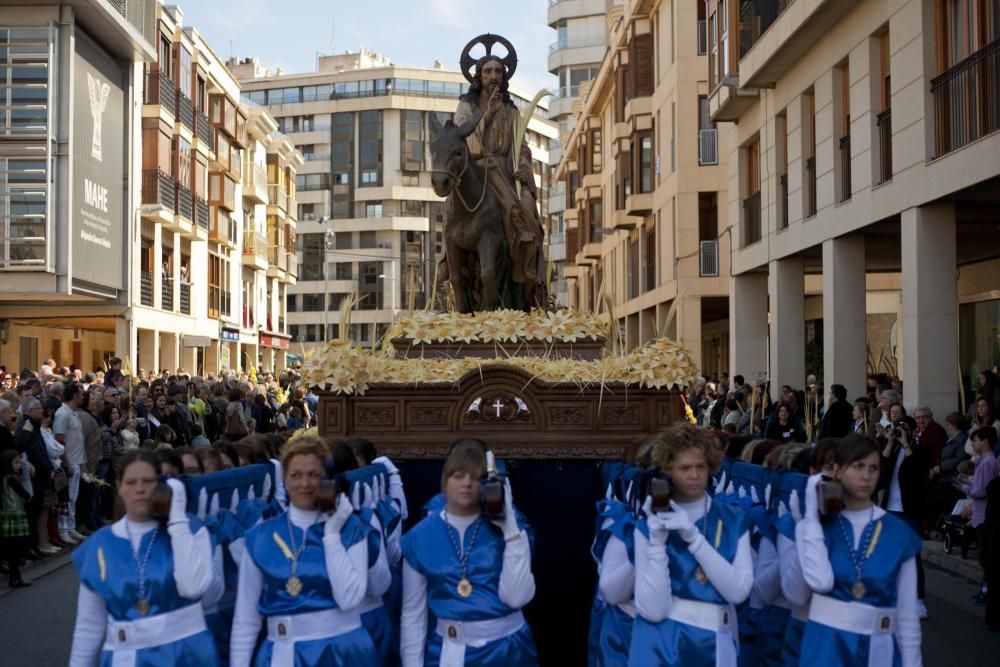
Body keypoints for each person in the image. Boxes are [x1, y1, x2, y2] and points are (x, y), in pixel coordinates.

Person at [230, 436, 377, 666]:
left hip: (341, 652)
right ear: (285, 480)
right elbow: (246, 618)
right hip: (282, 654)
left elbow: (349, 599)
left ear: (328, 480)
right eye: (296, 475)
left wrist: (332, 535)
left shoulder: (351, 529)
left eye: (314, 475)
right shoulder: (260, 537)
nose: (305, 484)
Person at [69, 449, 218, 665]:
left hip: (185, 655)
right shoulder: (100, 544)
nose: (139, 489)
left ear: (161, 484)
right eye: (130, 482)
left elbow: (193, 588)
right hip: (124, 657)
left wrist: (177, 518)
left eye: (148, 481)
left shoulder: (189, 531)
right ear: (119, 487)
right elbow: (89, 624)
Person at [401, 438, 537, 667]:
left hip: (509, 650)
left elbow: (516, 597)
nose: (467, 483)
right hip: (450, 652)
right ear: (445, 481)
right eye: (459, 475)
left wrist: (510, 529)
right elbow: (413, 614)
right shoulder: (420, 536)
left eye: (476, 478)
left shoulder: (512, 529)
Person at [630, 423, 752, 666]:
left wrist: (693, 537)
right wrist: (656, 543)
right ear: (668, 469)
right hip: (660, 646)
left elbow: (738, 591)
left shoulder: (733, 518)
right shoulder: (649, 522)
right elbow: (653, 610)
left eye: (701, 467)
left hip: (714, 642)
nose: (694, 476)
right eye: (684, 468)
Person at [796, 434, 922, 666]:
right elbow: (817, 583)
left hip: (878, 649)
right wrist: (811, 517)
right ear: (838, 470)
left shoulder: (898, 534)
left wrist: (912, 663)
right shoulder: (815, 528)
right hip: (825, 647)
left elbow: (907, 615)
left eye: (873, 468)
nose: (866, 476)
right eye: (858, 466)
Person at [878, 416, 930, 619]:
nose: (899, 432)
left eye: (903, 429)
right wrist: (890, 443)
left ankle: (918, 600)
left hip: (909, 510)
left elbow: (918, 469)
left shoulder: (919, 451)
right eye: (896, 429)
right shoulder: (892, 450)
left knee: (912, 556)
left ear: (913, 431)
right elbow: (882, 466)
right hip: (890, 508)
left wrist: (906, 444)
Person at [961, 427, 998, 605]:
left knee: (986, 558)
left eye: (975, 440)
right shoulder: (984, 461)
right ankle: (984, 590)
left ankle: (987, 592)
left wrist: (962, 487)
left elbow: (981, 491)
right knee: (985, 557)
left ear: (985, 441)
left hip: (984, 515)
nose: (973, 444)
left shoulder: (987, 462)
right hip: (981, 513)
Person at [1, 449, 31, 588]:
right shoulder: (11, 479)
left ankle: (15, 577)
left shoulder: (4, 478)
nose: (19, 465)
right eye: (16, 462)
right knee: (15, 549)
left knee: (11, 548)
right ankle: (15, 578)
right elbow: (25, 494)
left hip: (6, 515)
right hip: (14, 515)